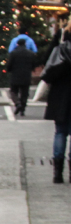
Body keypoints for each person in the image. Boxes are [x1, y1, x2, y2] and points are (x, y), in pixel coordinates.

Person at [41, 32, 71, 182]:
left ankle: (57, 173)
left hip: (60, 95)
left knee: (60, 132)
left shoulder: (60, 49)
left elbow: (47, 72)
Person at [8, 39, 37, 117]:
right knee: (24, 93)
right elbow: (33, 65)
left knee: (13, 91)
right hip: (26, 75)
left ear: (17, 44)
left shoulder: (13, 53)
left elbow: (9, 65)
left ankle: (17, 103)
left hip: (15, 75)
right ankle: (22, 109)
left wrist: (9, 70)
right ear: (25, 44)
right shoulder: (30, 53)